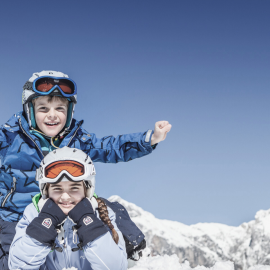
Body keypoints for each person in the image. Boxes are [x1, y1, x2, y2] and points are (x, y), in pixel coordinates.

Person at [0, 70, 171, 269]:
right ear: (29, 109)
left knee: (110, 208)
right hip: (17, 214)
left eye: (60, 108)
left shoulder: (77, 139)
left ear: (70, 111)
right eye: (44, 108)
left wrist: (149, 139)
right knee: (13, 261)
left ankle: (133, 252)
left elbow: (110, 147)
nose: (52, 115)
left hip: (66, 206)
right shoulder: (9, 138)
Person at [9, 147, 128, 270]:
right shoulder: (33, 213)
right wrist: (42, 227)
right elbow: (18, 266)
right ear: (46, 190)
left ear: (87, 189)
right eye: (57, 188)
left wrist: (91, 227)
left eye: (74, 188)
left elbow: (116, 267)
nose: (65, 197)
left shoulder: (102, 214)